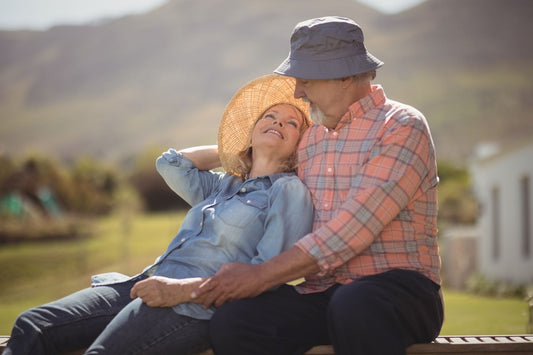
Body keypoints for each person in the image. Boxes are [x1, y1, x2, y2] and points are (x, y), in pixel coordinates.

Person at [3, 74, 314, 355]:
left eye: (292, 123)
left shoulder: (288, 191)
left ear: (301, 145)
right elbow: (170, 164)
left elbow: (267, 275)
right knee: (33, 323)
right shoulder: (223, 185)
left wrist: (182, 291)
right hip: (144, 283)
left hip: (190, 306)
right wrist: (236, 150)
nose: (278, 122)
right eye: (270, 116)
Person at [195, 16, 444, 355]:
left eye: (306, 80)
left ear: (344, 76)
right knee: (235, 320)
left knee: (354, 304)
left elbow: (353, 229)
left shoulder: (402, 126)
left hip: (400, 291)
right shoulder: (310, 138)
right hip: (324, 293)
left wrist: (260, 275)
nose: (298, 91)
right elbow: (264, 181)